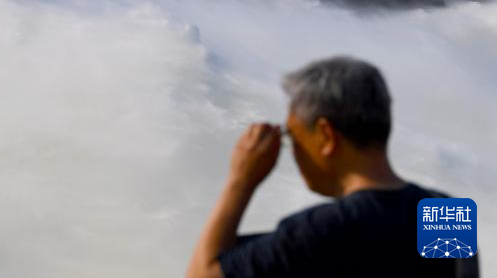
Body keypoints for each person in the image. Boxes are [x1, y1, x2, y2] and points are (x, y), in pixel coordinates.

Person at [186, 56, 480, 278]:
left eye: (293, 137)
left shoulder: (321, 230)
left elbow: (204, 273)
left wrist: (241, 180)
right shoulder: (446, 211)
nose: (294, 152)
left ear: (326, 135)